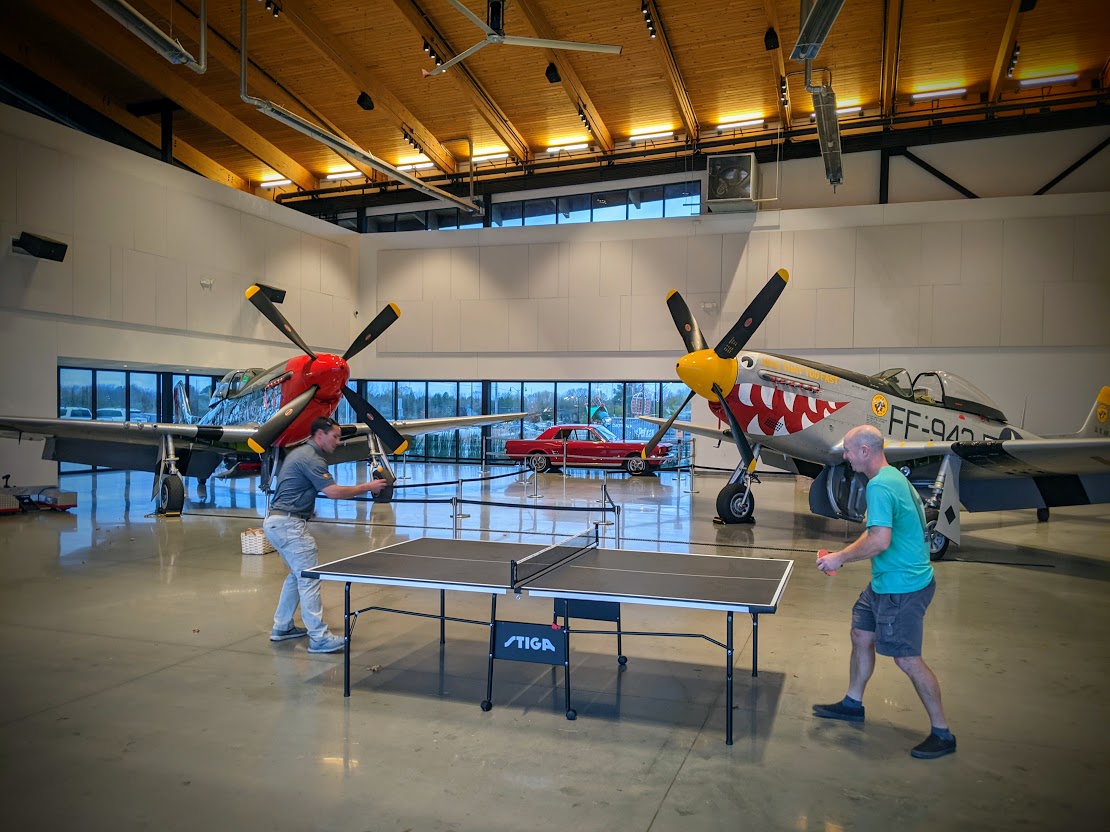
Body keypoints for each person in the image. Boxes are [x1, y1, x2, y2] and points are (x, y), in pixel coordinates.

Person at [813, 424, 956, 759]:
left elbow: (880, 540)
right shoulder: (894, 478)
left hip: (902, 587)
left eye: (848, 450)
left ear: (865, 451)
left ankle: (942, 733)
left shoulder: (880, 486)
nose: (844, 456)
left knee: (907, 659)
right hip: (885, 583)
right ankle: (853, 703)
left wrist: (840, 557)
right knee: (861, 634)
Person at [264, 416, 386, 654]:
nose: (338, 442)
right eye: (335, 436)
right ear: (319, 434)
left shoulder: (300, 454)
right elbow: (334, 492)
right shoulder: (311, 458)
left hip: (279, 522)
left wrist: (306, 509)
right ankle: (319, 638)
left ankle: (282, 626)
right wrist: (367, 487)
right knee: (309, 579)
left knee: (296, 576)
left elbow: (293, 487)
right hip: (289, 525)